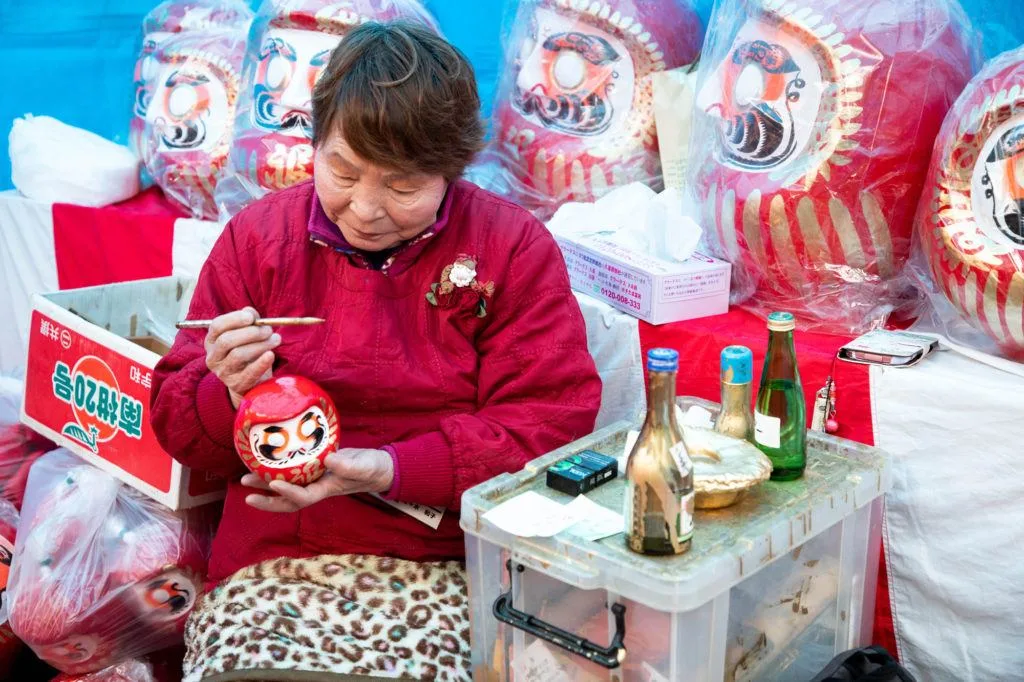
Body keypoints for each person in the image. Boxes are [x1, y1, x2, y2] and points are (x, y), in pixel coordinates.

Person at [150, 20, 602, 682]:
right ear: (316, 143)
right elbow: (175, 423)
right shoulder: (259, 240)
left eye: (401, 186)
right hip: (276, 562)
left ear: (452, 170)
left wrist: (388, 468)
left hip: (443, 561)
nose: (364, 208)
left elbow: (545, 427)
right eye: (343, 169)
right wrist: (226, 389)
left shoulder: (512, 249)